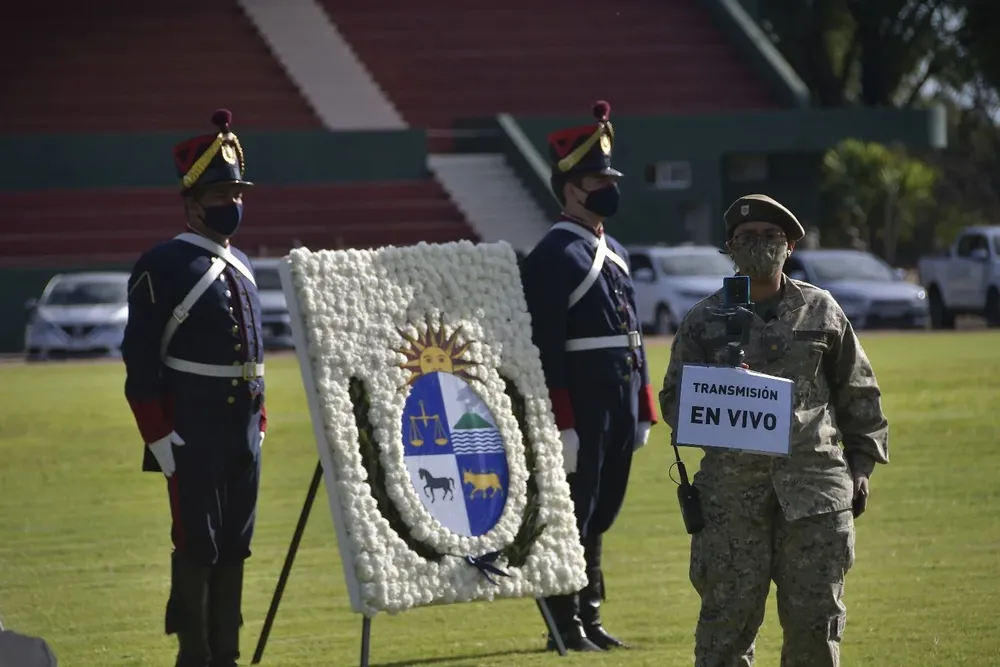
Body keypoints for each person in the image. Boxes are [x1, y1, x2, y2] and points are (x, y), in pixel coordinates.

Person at [659, 194, 889, 667]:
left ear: (790, 247)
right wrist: (717, 385)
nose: (760, 246)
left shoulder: (820, 311)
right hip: (730, 502)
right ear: (730, 248)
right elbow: (673, 403)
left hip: (814, 494)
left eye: (771, 237)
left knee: (814, 630)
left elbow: (858, 395)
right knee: (725, 632)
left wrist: (861, 467)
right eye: (747, 238)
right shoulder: (704, 320)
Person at [121, 109, 267, 667]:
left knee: (236, 542)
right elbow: (140, 358)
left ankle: (226, 653)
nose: (231, 201)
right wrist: (158, 435)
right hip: (192, 426)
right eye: (219, 192)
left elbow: (252, 352)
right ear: (191, 202)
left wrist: (260, 419)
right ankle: (196, 654)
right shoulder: (163, 263)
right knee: (197, 543)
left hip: (241, 428)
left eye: (235, 190)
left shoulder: (245, 263)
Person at [520, 101, 659, 652]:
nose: (608, 185)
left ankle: (590, 614)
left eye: (609, 176)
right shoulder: (553, 253)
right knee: (572, 514)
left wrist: (643, 406)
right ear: (571, 187)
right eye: (598, 178)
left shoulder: (615, 251)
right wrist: (563, 421)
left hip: (618, 400)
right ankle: (564, 622)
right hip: (580, 401)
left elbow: (634, 337)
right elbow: (543, 348)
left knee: (600, 512)